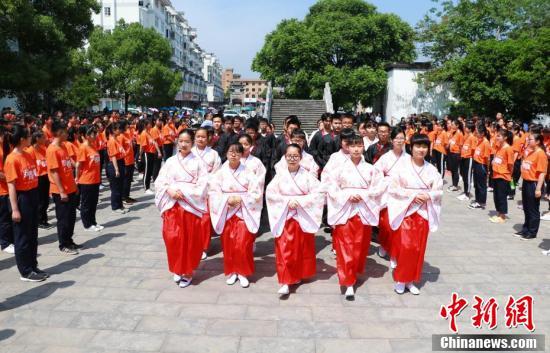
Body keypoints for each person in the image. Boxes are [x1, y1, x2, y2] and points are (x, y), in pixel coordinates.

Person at [323, 135, 383, 299]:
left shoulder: (371, 169)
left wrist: (363, 196)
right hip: (345, 210)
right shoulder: (339, 168)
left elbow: (378, 188)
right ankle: (348, 280)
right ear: (347, 148)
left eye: (359, 146)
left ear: (363, 147)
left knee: (360, 246)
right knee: (345, 247)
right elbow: (330, 185)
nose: (356, 149)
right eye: (353, 146)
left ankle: (353, 272)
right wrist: (346, 196)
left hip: (363, 210)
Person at [387, 134, 443, 295]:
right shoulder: (401, 167)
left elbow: (438, 190)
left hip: (423, 212)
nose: (421, 150)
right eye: (418, 146)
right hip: (406, 211)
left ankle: (411, 280)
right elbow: (393, 188)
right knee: (406, 247)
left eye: (424, 146)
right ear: (411, 148)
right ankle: (401, 278)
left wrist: (429, 196)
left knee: (418, 248)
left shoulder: (432, 169)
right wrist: (412, 196)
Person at [266, 144, 324, 295]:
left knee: (302, 249)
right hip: (285, 216)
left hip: (302, 216)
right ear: (284, 158)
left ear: (301, 158)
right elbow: (270, 195)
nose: (292, 159)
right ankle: (285, 280)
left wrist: (300, 202)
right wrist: (286, 202)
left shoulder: (308, 176)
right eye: (289, 156)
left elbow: (318, 194)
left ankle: (298, 275)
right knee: (284, 249)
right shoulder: (279, 176)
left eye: (295, 156)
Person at [155, 129, 208, 288]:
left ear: (192, 143)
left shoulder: (198, 162)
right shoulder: (171, 161)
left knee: (189, 240)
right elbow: (160, 181)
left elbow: (203, 185)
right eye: (181, 141)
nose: (183, 144)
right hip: (172, 205)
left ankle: (188, 271)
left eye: (187, 141)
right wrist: (169, 190)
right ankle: (177, 268)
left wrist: (183, 192)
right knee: (172, 238)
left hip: (189, 207)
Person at [208, 143, 263, 288]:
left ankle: (243, 272)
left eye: (237, 152)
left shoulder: (248, 172)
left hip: (244, 211)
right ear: (226, 153)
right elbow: (213, 192)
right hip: (226, 211)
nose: (234, 154)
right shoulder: (219, 173)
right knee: (228, 244)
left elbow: (256, 193)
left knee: (243, 244)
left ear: (241, 154)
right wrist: (227, 199)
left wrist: (241, 199)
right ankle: (232, 271)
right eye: (231, 151)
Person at [5, 125, 48, 281]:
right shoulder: (12, 159)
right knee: (22, 237)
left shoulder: (28, 154)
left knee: (32, 235)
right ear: (22, 139)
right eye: (29, 136)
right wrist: (15, 209)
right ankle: (25, 271)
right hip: (21, 198)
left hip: (33, 195)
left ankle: (33, 265)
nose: (31, 138)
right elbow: (11, 185)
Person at [374, 127, 409, 270]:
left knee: (398, 226)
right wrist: (385, 182)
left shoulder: (408, 158)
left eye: (402, 138)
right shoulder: (386, 157)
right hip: (387, 194)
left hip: (402, 195)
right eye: (397, 139)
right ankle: (384, 244)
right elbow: (375, 173)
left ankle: (394, 254)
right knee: (386, 225)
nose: (399, 141)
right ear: (392, 140)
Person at [46, 120, 81, 255]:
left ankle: (69, 240)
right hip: (60, 190)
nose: (68, 134)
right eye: (66, 131)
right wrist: (61, 191)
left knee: (71, 217)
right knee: (63, 218)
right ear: (59, 133)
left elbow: (67, 169)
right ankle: (63, 244)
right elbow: (54, 172)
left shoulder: (64, 146)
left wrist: (74, 185)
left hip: (70, 187)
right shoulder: (52, 150)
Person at [192, 127, 222, 260]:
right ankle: (192, 244)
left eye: (203, 136)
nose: (200, 139)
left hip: (208, 191)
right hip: (191, 192)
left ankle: (204, 246)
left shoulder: (213, 154)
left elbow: (217, 173)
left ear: (208, 138)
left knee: (205, 220)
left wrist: (205, 181)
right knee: (192, 220)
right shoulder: (190, 153)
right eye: (198, 136)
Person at [514, 132, 547, 240]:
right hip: (526, 182)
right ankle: (525, 229)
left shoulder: (540, 154)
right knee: (526, 207)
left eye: (530, 139)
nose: (528, 141)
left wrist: (538, 189)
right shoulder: (530, 152)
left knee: (533, 209)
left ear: (537, 142)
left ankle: (532, 232)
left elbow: (542, 173)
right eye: (528, 139)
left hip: (534, 184)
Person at [76, 125, 103, 232]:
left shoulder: (93, 146)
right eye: (93, 134)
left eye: (96, 133)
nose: (96, 136)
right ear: (87, 135)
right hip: (86, 180)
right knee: (86, 203)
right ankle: (87, 224)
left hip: (95, 179)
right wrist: (77, 178)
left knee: (93, 202)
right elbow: (79, 165)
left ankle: (93, 221)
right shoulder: (83, 148)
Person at [26, 130, 50, 228]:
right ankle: (39, 220)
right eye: (43, 137)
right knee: (40, 201)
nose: (46, 139)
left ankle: (44, 219)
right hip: (37, 178)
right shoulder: (30, 151)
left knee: (45, 200)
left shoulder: (43, 148)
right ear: (37, 138)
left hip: (45, 176)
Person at [489, 129, 514, 223]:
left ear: (505, 138)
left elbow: (511, 165)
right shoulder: (499, 147)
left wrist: (509, 176)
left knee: (501, 196)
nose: (497, 137)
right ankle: (499, 213)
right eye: (497, 135)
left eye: (499, 136)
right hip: (496, 174)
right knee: (496, 196)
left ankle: (502, 216)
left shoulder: (508, 149)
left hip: (503, 176)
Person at [105, 122, 127, 214]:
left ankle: (120, 205)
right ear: (114, 130)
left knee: (120, 186)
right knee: (115, 187)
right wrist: (116, 169)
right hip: (115, 164)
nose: (120, 130)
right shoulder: (111, 141)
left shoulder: (116, 139)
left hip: (121, 162)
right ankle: (115, 206)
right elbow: (113, 156)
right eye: (118, 129)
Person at [468, 123, 491, 210]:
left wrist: (487, 170)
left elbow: (487, 159)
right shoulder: (479, 141)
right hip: (477, 164)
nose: (475, 134)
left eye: (477, 132)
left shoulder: (486, 143)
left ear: (482, 133)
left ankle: (481, 202)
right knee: (477, 184)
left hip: (482, 165)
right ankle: (477, 200)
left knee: (481, 185)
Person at [0, 125, 15, 254]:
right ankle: (5, 243)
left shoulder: (7, 147)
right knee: (4, 218)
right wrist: (10, 178)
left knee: (10, 217)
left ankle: (10, 240)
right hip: (2, 190)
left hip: (9, 188)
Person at [138, 119, 162, 195]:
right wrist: (139, 155)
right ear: (145, 125)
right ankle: (146, 188)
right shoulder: (144, 134)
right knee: (147, 171)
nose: (150, 125)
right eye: (149, 124)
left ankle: (148, 187)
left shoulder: (149, 133)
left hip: (152, 153)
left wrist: (158, 151)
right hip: (146, 153)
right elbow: (142, 146)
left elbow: (154, 142)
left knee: (149, 171)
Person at [118, 120, 137, 205]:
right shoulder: (120, 136)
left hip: (131, 160)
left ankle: (127, 196)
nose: (128, 126)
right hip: (125, 161)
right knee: (125, 180)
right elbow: (120, 149)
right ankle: (123, 197)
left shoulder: (127, 134)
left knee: (128, 180)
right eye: (126, 125)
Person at [457, 121, 477, 201]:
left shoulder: (472, 137)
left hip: (469, 158)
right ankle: (465, 191)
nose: (464, 128)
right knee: (464, 175)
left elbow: (473, 149)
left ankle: (467, 194)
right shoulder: (466, 136)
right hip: (464, 158)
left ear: (470, 129)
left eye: (466, 127)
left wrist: (470, 157)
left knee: (468, 176)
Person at [446, 120, 464, 192]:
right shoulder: (452, 132)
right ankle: (453, 184)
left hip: (456, 153)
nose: (451, 126)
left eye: (453, 124)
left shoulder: (460, 134)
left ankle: (455, 185)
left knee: (455, 170)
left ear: (457, 126)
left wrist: (460, 155)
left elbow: (461, 146)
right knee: (453, 170)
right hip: (451, 152)